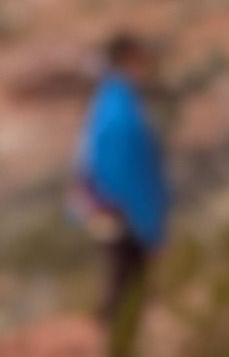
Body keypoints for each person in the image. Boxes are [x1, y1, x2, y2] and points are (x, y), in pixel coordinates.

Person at [69, 33, 166, 357]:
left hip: (107, 213)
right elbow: (127, 174)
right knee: (125, 296)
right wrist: (150, 225)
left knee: (119, 290)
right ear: (128, 60)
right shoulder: (120, 109)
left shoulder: (109, 102)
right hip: (121, 216)